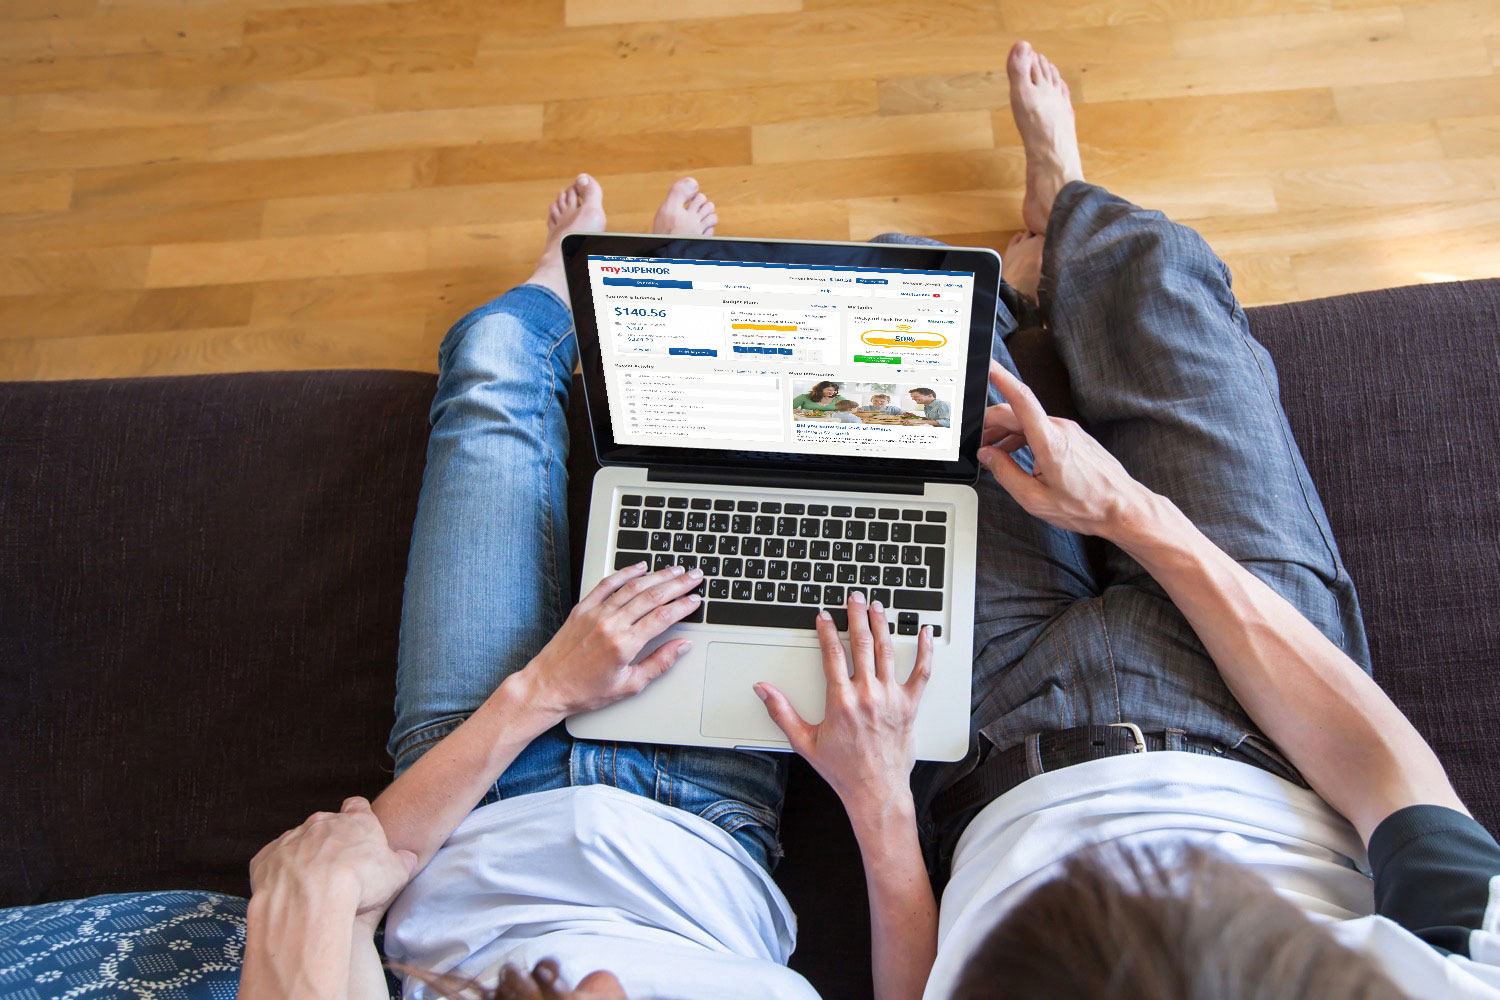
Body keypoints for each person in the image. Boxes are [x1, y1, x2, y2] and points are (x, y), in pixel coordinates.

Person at [782, 38, 1496, 999]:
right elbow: (1393, 783)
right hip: (1256, 723)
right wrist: (1133, 514)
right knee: (1154, 274)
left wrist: (877, 807)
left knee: (908, 287)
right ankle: (1066, 199)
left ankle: (1024, 284)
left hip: (988, 741)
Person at [237, 172, 938, 1000]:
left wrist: (538, 693)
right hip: (703, 812)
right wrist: (881, 793)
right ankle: (672, 285)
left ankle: (562, 280)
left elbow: (351, 864)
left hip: (476, 786)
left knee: (492, 354)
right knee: (734, 451)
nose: (600, 977)